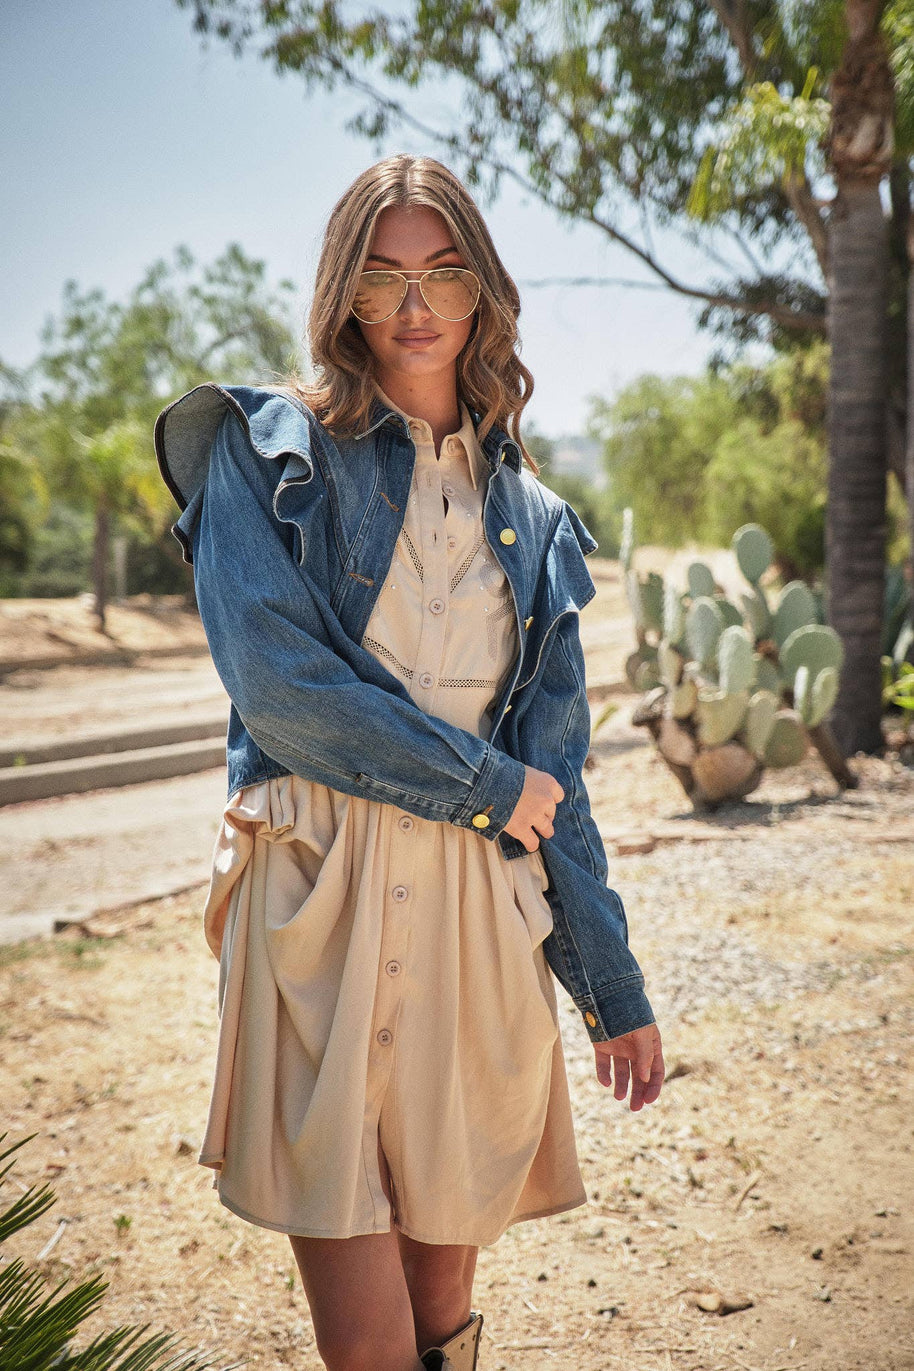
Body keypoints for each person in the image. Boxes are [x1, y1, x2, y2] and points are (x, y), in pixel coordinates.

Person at [154, 153, 664, 1371]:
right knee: (363, 1315)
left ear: (483, 290)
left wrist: (612, 986)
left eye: (443, 273)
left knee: (445, 1303)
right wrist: (484, 786)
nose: (416, 304)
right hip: (316, 896)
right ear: (344, 294)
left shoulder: (535, 520)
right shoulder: (258, 453)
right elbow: (280, 692)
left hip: (475, 916)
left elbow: (557, 775)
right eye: (383, 277)